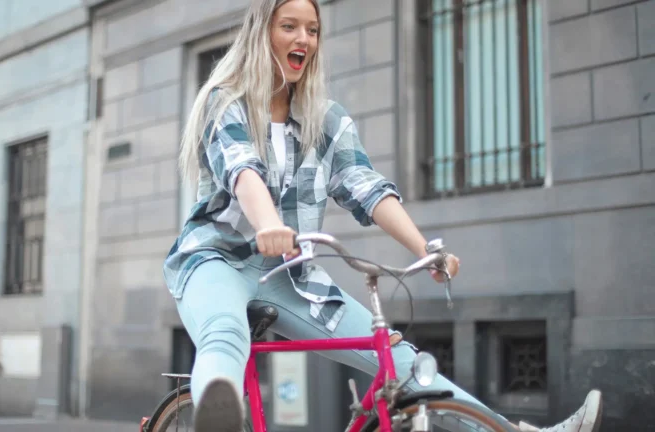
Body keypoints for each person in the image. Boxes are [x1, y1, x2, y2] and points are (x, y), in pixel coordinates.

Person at [162, 1, 603, 431]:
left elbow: (367, 187)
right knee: (224, 332)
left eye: (312, 30)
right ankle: (216, 411)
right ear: (263, 35)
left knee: (400, 360)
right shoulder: (226, 103)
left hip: (290, 274)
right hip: (215, 259)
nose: (303, 39)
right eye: (289, 27)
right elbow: (243, 171)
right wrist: (268, 226)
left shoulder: (326, 120)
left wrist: (425, 249)